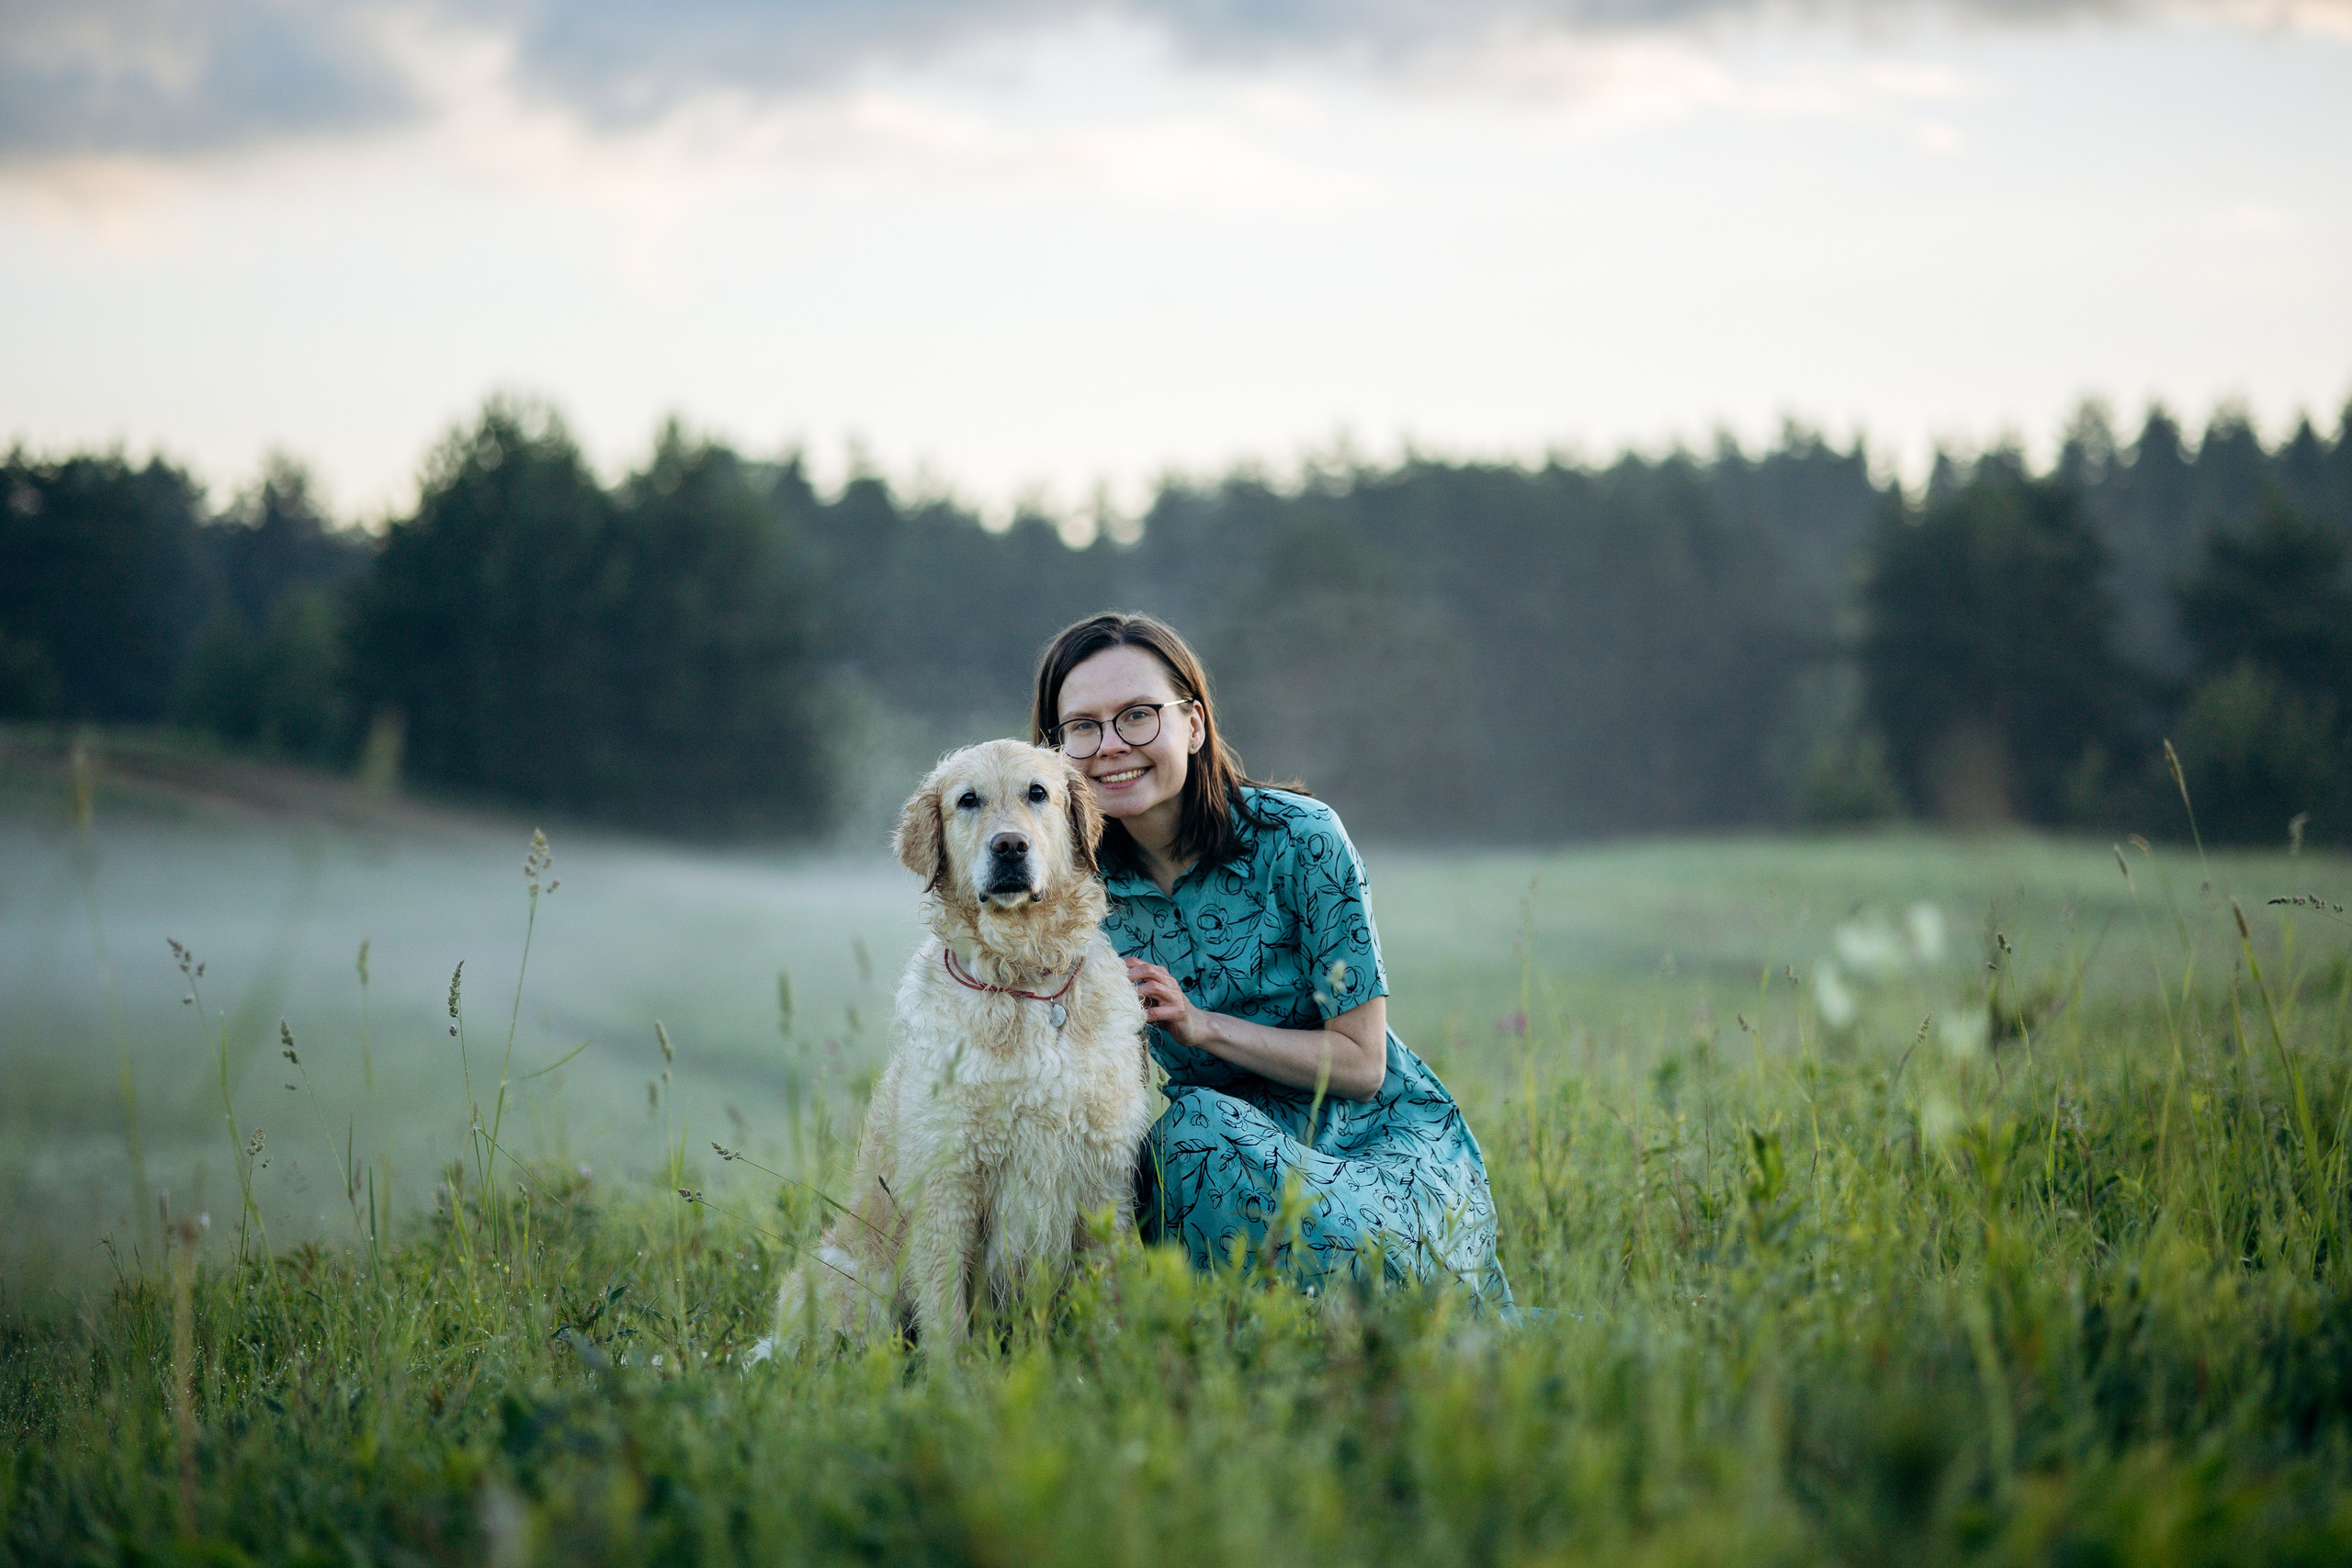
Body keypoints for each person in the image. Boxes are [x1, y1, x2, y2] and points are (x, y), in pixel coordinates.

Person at [1032, 612, 1512, 1305]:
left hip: (1377, 1149)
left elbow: (1362, 1063)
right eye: (1082, 726)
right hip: (1220, 1167)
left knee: (1192, 1127)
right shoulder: (1068, 887)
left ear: (1193, 724)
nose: (1110, 746)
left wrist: (1201, 1026)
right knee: (1177, 1141)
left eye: (1138, 715)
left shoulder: (1299, 841)